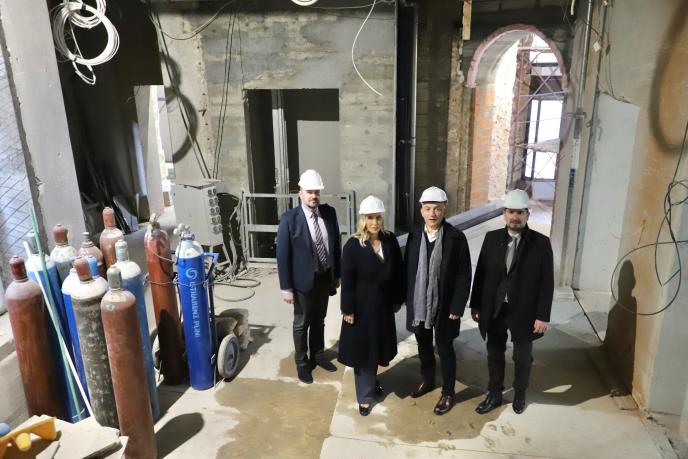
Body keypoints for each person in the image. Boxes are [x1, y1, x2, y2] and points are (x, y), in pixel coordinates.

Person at [470, 189, 554, 415]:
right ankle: (494, 394)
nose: (514, 217)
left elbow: (547, 282)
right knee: (494, 352)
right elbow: (481, 274)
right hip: (496, 308)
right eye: (510, 212)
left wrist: (542, 316)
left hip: (524, 311)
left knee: (522, 357)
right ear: (504, 214)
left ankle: (519, 393)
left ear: (528, 214)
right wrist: (476, 305)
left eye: (519, 212)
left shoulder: (541, 243)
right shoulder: (491, 239)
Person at [404, 186, 472, 415]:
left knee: (444, 347)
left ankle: (449, 392)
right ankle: (428, 379)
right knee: (423, 344)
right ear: (421, 211)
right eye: (428, 208)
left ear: (445, 210)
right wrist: (405, 299)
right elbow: (408, 269)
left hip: (445, 306)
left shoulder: (456, 238)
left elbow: (464, 275)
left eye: (437, 209)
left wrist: (457, 306)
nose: (432, 213)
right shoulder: (414, 235)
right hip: (419, 305)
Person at [338, 196, 404, 416]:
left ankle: (371, 382)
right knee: (363, 354)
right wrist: (347, 309)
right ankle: (365, 397)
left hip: (383, 308)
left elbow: (398, 272)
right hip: (362, 308)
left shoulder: (390, 240)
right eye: (369, 218)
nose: (374, 222)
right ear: (362, 219)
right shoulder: (353, 246)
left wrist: (398, 298)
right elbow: (347, 281)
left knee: (376, 349)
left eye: (377, 217)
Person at [277, 169, 342, 384]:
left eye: (317, 192)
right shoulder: (290, 219)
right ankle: (302, 363)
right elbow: (283, 255)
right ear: (300, 193)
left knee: (319, 319)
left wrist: (336, 274)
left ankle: (318, 355)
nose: (314, 196)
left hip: (324, 277)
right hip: (302, 281)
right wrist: (286, 287)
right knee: (301, 322)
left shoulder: (329, 213)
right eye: (309, 192)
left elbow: (336, 245)